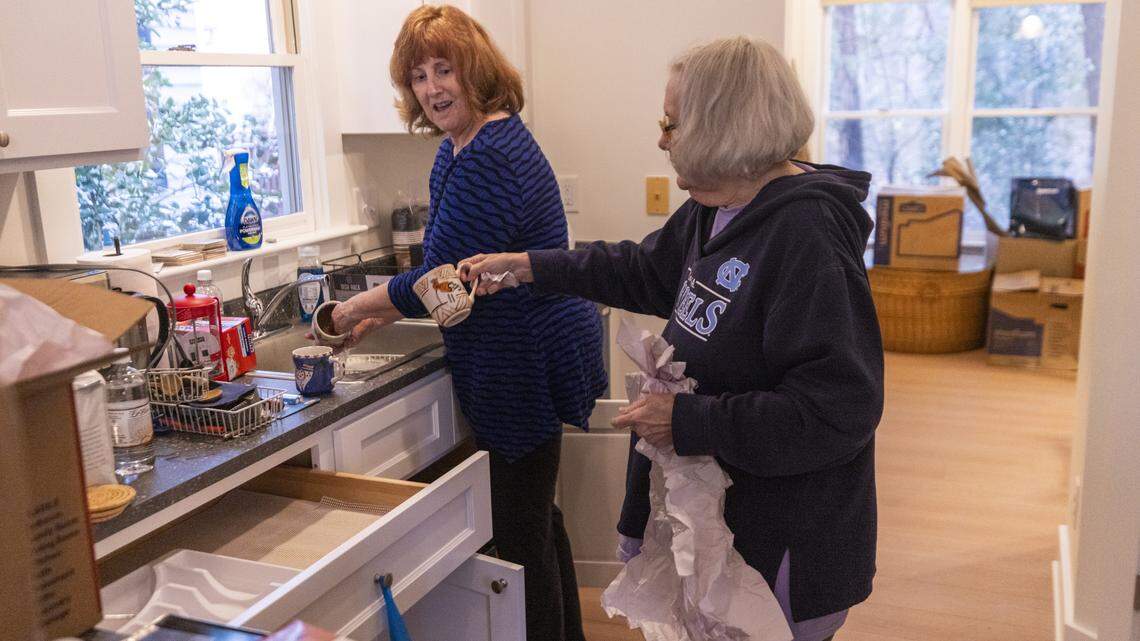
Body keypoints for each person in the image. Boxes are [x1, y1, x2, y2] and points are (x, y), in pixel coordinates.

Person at [459, 36, 884, 641]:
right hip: (729, 532)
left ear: (724, 127)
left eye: (672, 122)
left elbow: (837, 411)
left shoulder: (807, 234)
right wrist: (527, 265)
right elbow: (641, 270)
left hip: (785, 544)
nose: (661, 138)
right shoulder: (716, 210)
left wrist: (687, 420)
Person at [326, 6, 606, 641]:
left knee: (518, 539)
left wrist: (351, 309)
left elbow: (441, 283)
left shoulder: (489, 155)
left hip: (519, 365)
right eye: (419, 75)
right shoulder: (463, 146)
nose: (432, 88)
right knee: (537, 520)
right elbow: (442, 272)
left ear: (475, 70)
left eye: (444, 69)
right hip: (513, 355)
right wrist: (387, 308)